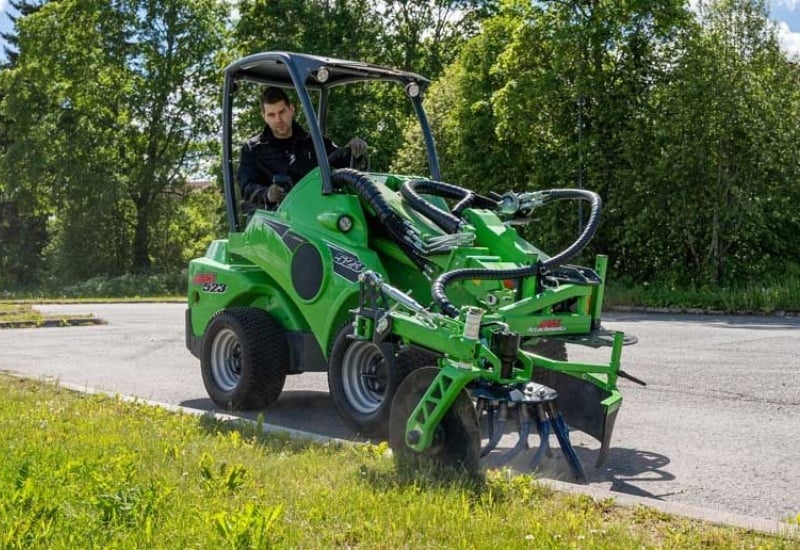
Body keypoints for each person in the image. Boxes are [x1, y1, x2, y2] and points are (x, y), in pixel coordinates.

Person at [238, 86, 368, 208]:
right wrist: (267, 193)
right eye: (271, 115)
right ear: (264, 117)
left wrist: (354, 151)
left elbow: (344, 165)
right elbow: (246, 187)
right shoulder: (253, 149)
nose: (278, 119)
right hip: (274, 219)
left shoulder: (314, 143)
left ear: (291, 109)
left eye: (282, 112)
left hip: (314, 211)